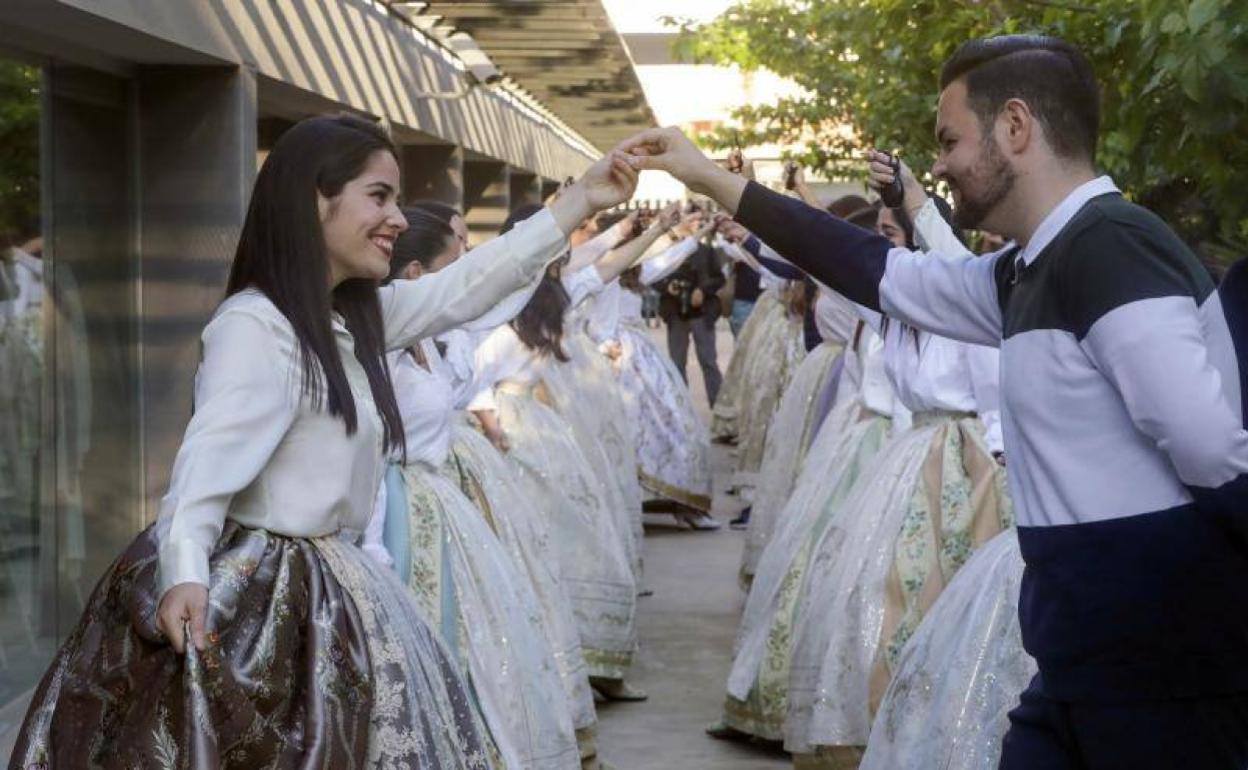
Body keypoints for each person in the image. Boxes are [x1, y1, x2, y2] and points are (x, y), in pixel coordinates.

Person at [621, 33, 1248, 770]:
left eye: (949, 139)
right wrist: (707, 176)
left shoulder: (1109, 248)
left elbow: (1208, 445)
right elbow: (879, 271)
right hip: (1084, 659)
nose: (940, 163)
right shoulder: (1030, 268)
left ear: (1016, 127)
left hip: (1157, 669)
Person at [8, 113, 638, 769]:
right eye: (379, 196)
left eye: (396, 199)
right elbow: (201, 474)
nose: (396, 218)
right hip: (267, 604)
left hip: (331, 586)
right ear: (314, 198)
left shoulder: (351, 316)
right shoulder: (258, 325)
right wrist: (187, 576)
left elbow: (467, 287)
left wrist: (582, 200)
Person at [653, 215, 726, 405]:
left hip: (702, 313)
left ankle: (718, 408)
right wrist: (667, 286)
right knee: (677, 363)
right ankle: (681, 408)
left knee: (708, 361)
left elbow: (720, 279)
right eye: (690, 221)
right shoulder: (668, 251)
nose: (694, 225)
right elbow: (651, 276)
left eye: (697, 222)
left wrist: (703, 290)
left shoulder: (707, 251)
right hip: (675, 312)